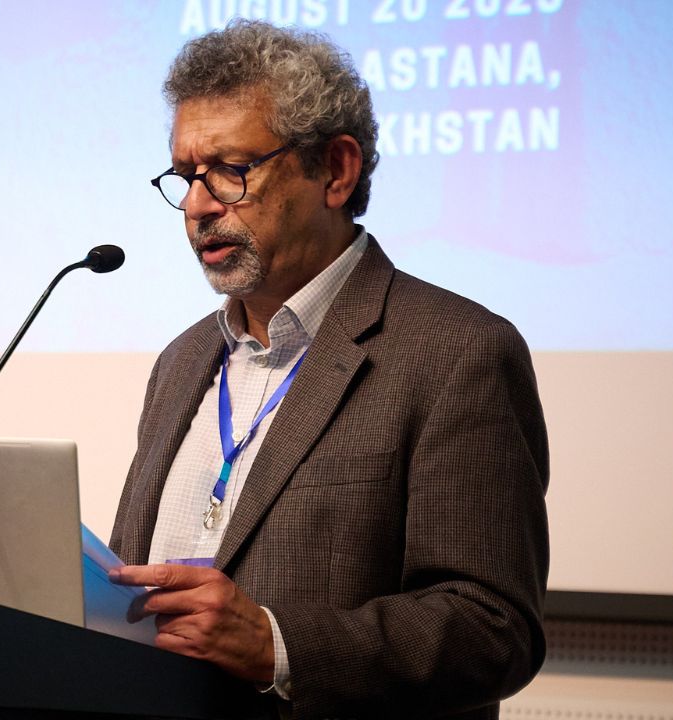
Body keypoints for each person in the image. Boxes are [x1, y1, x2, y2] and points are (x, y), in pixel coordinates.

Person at [107, 20, 549, 720]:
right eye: (186, 176)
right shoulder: (182, 361)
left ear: (335, 171)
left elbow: (494, 629)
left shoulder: (457, 353)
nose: (197, 205)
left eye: (230, 170)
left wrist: (279, 646)